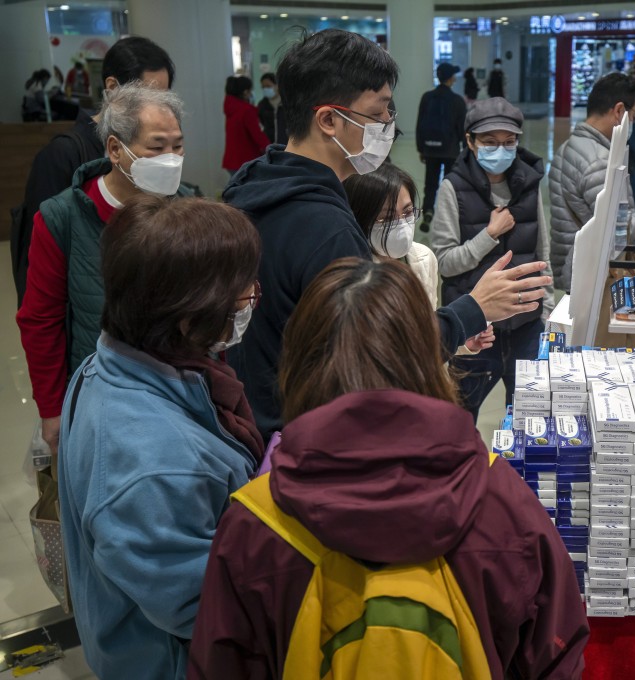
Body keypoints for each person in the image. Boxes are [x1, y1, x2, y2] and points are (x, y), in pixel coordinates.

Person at [188, 257, 589, 680]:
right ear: (427, 359)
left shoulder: (254, 524)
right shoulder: (501, 501)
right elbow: (555, 655)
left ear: (298, 365)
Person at [223, 29, 550, 440]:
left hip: (259, 418)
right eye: (378, 113)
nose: (388, 127)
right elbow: (380, 354)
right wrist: (475, 308)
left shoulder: (255, 185)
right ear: (328, 120)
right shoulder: (323, 228)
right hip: (305, 434)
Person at [58, 195, 264, 680]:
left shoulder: (114, 359)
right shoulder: (154, 463)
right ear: (187, 314)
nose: (253, 294)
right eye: (241, 289)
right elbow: (203, 607)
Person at [16, 83, 187, 458]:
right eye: (157, 147)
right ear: (115, 149)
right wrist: (52, 410)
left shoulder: (189, 208)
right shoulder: (62, 218)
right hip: (100, 400)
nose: (172, 159)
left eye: (178, 146)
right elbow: (41, 319)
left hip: (180, 395)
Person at [13, 35, 175, 306]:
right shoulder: (62, 155)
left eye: (164, 97)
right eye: (147, 96)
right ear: (112, 88)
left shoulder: (157, 151)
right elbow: (37, 262)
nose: (158, 108)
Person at [432, 97, 554, 419]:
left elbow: (542, 253)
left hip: (527, 325)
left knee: (530, 416)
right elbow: (444, 262)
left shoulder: (529, 184)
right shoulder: (453, 188)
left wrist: (546, 314)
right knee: (460, 417)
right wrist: (488, 235)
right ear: (471, 141)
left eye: (509, 142)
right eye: (489, 142)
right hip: (476, 331)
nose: (500, 150)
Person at [344, 162, 496, 354]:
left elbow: (427, 333)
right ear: (361, 219)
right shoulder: (351, 273)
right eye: (387, 218)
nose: (401, 224)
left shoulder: (424, 257)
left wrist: (461, 341)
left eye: (407, 212)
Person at [549, 72, 635, 290]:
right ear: (619, 111)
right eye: (633, 116)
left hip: (572, 266)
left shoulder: (569, 146)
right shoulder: (599, 161)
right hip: (592, 275)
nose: (632, 123)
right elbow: (619, 229)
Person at [416, 62, 466, 233]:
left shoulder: (427, 97)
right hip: (451, 150)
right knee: (449, 184)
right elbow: (462, 129)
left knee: (430, 183)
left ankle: (428, 211)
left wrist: (421, 148)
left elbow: (420, 125)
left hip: (430, 149)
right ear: (451, 78)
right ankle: (447, 218)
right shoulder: (457, 101)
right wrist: (465, 151)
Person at [222, 75, 270, 174]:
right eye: (250, 90)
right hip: (246, 160)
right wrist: (271, 149)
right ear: (245, 92)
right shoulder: (246, 110)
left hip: (232, 160)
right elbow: (257, 135)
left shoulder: (231, 108)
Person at [257, 72, 288, 145]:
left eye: (268, 86)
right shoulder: (262, 105)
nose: (265, 89)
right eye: (263, 87)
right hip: (269, 146)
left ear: (277, 86)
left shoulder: (287, 103)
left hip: (286, 145)